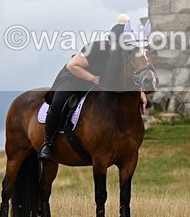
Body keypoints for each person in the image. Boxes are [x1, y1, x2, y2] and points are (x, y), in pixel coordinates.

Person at [39, 14, 148, 161]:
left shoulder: (122, 57)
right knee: (58, 102)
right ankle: (48, 143)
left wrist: (140, 92)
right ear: (110, 41)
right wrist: (93, 79)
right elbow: (72, 65)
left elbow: (128, 76)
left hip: (97, 83)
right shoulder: (95, 48)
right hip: (74, 78)